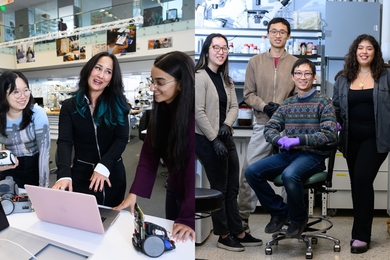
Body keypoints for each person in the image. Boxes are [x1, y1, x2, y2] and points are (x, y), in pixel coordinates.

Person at [245, 58, 337, 238]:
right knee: (251, 172)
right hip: (289, 155)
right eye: (298, 74)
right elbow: (269, 128)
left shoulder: (324, 102)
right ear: (293, 77)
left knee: (289, 175)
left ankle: (298, 218)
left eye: (307, 73)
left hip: (312, 156)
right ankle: (280, 211)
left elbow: (330, 134)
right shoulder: (287, 104)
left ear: (314, 77)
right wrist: (279, 140)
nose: (303, 77)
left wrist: (298, 140)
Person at [114, 51, 195, 243]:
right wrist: (133, 195)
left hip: (192, 195)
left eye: (160, 82)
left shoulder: (192, 117)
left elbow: (193, 170)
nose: (152, 88)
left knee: (184, 240)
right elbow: (149, 157)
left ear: (182, 83)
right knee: (171, 238)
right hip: (174, 188)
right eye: (152, 81)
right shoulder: (161, 112)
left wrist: (188, 218)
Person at [195, 33, 262, 252]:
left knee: (233, 187)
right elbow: (198, 112)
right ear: (207, 50)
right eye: (216, 47)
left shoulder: (227, 79)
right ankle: (223, 234)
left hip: (225, 136)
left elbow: (234, 106)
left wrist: (226, 125)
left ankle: (238, 231)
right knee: (220, 190)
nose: (221, 51)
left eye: (224, 48)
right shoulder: (200, 76)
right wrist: (214, 138)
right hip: (206, 140)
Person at [237, 17, 298, 233]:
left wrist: (282, 109)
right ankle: (242, 218)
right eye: (274, 31)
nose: (278, 35)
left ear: (288, 36)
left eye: (282, 31)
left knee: (291, 172)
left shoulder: (295, 63)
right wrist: (264, 107)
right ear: (268, 34)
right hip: (262, 124)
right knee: (249, 170)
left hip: (289, 127)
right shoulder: (255, 62)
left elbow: (300, 93)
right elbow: (248, 94)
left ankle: (291, 217)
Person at [332, 34, 390, 254]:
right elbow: (336, 109)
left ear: (375, 52)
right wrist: (334, 125)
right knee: (357, 184)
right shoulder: (343, 78)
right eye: (360, 48)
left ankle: (361, 236)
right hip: (350, 140)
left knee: (362, 179)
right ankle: (359, 232)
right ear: (354, 51)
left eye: (369, 48)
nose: (364, 52)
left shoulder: (385, 76)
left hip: (376, 138)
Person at [52, 52, 130, 208]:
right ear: (88, 70)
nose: (101, 75)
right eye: (98, 68)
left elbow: (121, 139)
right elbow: (65, 142)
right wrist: (64, 174)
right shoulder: (69, 106)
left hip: (112, 174)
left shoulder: (119, 104)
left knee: (111, 221)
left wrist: (104, 166)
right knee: (81, 219)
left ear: (111, 79)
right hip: (82, 175)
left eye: (108, 72)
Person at [0, 70, 50, 188]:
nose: (23, 96)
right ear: (3, 94)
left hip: (34, 165)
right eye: (16, 92)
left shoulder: (37, 113)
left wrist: (44, 189)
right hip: (9, 166)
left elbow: (44, 155)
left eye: (26, 90)